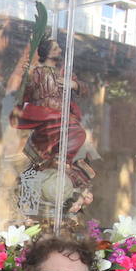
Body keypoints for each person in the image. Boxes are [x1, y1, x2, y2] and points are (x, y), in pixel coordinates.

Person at [11, 38, 98, 219]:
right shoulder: (35, 72)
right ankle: (59, 162)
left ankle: (65, 166)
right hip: (45, 116)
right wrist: (24, 75)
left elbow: (85, 89)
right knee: (74, 132)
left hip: (63, 116)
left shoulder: (64, 72)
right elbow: (20, 94)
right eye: (55, 47)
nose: (59, 50)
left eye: (59, 47)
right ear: (46, 51)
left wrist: (72, 85)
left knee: (77, 133)